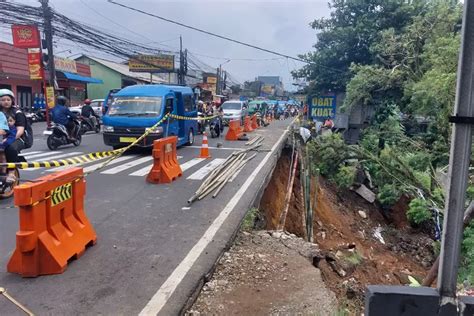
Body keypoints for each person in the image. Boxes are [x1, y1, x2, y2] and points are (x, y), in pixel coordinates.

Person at [0, 89, 31, 165]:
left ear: (12, 101)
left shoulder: (17, 113)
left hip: (17, 138)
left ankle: (11, 172)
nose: (6, 102)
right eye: (3, 100)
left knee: (10, 147)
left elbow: (20, 131)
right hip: (1, 137)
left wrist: (8, 139)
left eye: (8, 100)